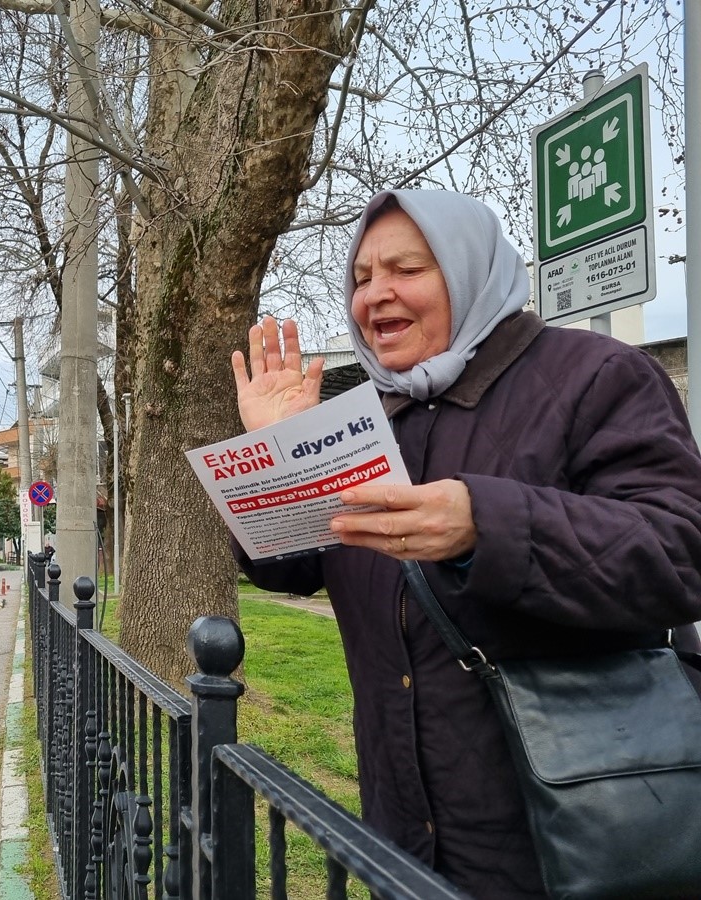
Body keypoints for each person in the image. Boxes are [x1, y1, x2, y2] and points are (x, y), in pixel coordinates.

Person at [230, 189, 701, 899]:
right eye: (361, 277)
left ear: (469, 268)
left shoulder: (597, 376)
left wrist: (487, 523)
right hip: (402, 841)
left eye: (406, 269)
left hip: (572, 834)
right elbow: (293, 568)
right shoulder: (367, 420)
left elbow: (679, 552)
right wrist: (280, 454)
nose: (375, 294)